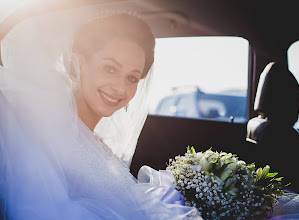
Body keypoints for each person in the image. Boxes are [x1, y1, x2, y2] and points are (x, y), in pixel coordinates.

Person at [0, 2, 201, 219]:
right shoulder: (48, 136)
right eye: (110, 68)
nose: (120, 88)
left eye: (132, 78)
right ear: (79, 61)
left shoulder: (96, 143)